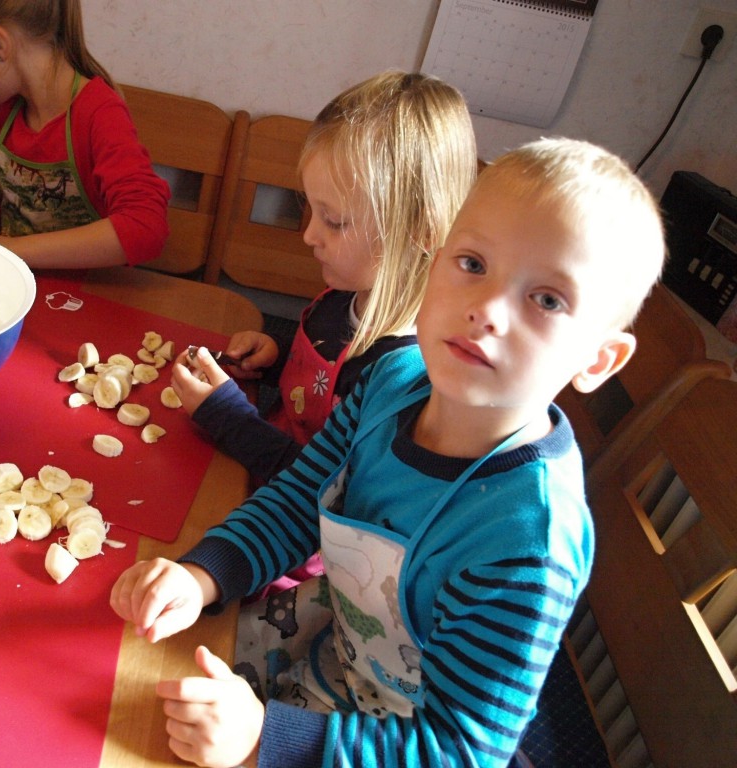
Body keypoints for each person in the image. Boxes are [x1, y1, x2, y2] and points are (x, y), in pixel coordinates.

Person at [110, 137, 666, 768]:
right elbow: (297, 503)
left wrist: (265, 740)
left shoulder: (527, 545)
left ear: (599, 359)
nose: (485, 309)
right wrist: (203, 574)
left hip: (400, 740)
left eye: (546, 299)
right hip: (331, 640)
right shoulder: (393, 379)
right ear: (433, 264)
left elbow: (460, 751)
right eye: (473, 263)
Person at [174, 71, 476, 486]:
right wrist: (275, 356)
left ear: (419, 233)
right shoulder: (347, 293)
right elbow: (317, 375)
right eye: (310, 210)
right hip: (255, 457)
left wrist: (227, 416)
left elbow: (325, 491)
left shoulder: (402, 379)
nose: (309, 235)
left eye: (333, 221)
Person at [0, 0, 170, 271]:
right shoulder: (3, 110)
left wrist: (9, 249)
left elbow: (146, 226)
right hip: (12, 286)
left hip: (84, 297)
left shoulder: (98, 113)